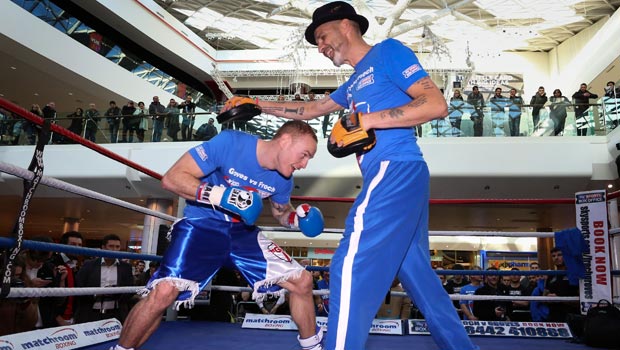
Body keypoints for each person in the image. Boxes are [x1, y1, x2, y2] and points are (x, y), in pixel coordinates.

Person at [228, 2, 478, 349]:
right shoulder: (353, 82)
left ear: (346, 25)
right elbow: (313, 109)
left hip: (395, 168)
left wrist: (369, 120)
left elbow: (435, 103)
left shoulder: (389, 51)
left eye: (322, 35)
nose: (320, 46)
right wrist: (257, 105)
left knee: (349, 265)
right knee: (419, 277)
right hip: (400, 174)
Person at [110, 120, 324, 350]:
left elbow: (281, 211)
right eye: (304, 155)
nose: (304, 164)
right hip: (203, 224)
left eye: (308, 159)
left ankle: (312, 345)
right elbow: (172, 178)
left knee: (302, 281)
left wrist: (296, 219)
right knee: (164, 292)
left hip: (243, 233)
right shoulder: (231, 143)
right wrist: (223, 196)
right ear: (285, 140)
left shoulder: (284, 179)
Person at [75, 234, 134, 323]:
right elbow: (79, 286)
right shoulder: (89, 265)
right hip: (91, 314)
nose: (114, 249)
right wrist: (96, 294)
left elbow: (130, 290)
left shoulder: (126, 267)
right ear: (103, 247)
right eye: (111, 246)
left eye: (117, 247)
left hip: (116, 314)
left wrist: (117, 292)